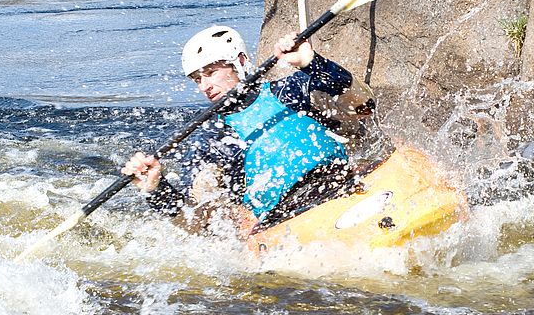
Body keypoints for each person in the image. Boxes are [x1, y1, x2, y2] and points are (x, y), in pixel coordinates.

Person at [122, 25, 390, 235]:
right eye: (197, 79)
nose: (204, 86)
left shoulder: (290, 90)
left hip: (343, 184)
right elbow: (196, 220)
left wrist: (311, 62)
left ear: (239, 61)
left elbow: (363, 105)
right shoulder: (212, 138)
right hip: (289, 218)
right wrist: (157, 191)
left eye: (210, 72)